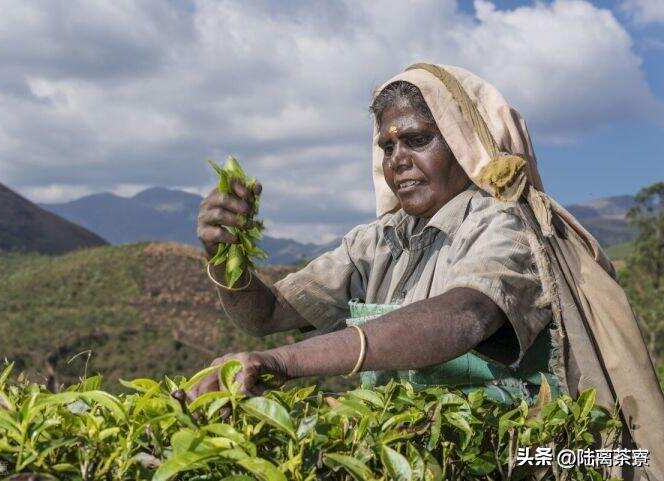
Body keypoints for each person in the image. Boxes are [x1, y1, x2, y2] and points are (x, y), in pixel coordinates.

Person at [194, 63, 663, 480]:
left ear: (463, 144)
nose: (398, 159)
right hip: (415, 454)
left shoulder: (506, 223)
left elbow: (463, 316)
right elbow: (268, 314)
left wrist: (285, 362)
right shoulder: (377, 242)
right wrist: (224, 255)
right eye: (387, 145)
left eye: (418, 139)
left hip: (527, 456)